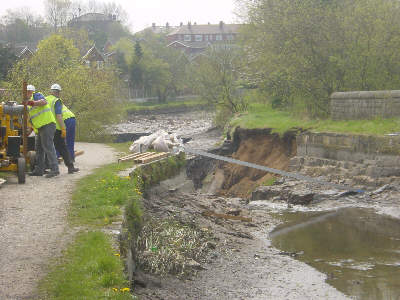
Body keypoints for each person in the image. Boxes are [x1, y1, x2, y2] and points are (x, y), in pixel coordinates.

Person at [26, 84, 60, 178]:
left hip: (47, 124)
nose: (27, 94)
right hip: (40, 128)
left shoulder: (37, 95)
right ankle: (39, 170)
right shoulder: (27, 105)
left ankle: (54, 169)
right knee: (39, 149)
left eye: (29, 92)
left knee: (48, 146)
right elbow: (32, 119)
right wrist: (30, 129)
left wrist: (31, 103)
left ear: (31, 91)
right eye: (26, 92)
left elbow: (44, 102)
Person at [46, 84, 79, 174]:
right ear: (58, 92)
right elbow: (59, 116)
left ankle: (48, 167)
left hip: (47, 127)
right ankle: (69, 167)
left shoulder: (45, 99)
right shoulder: (57, 101)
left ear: (51, 91)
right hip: (57, 127)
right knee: (62, 147)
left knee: (48, 146)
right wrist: (63, 128)